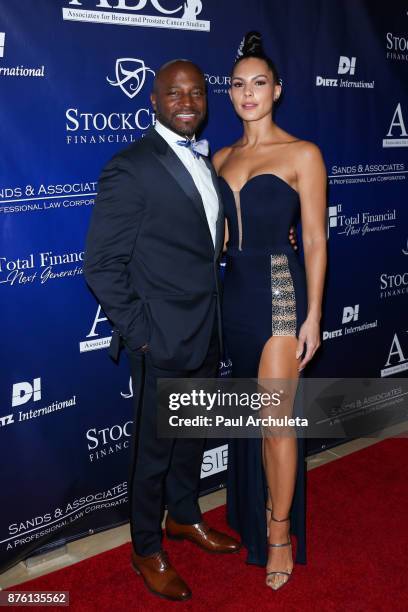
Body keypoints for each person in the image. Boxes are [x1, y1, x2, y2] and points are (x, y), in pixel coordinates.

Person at [83, 59, 241, 603]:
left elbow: (204, 248)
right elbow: (101, 265)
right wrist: (142, 336)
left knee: (191, 441)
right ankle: (146, 547)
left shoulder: (210, 166)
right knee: (151, 455)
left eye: (196, 92)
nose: (187, 100)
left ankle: (185, 517)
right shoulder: (131, 166)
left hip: (206, 333)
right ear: (153, 100)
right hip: (161, 341)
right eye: (175, 92)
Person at [213, 32, 327, 591]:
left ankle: (279, 532)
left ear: (277, 90)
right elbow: (218, 240)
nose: (248, 92)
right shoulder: (220, 157)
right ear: (230, 94)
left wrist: (314, 317)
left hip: (281, 294)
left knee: (276, 424)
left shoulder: (302, 153)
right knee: (251, 421)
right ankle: (252, 508)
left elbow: (314, 240)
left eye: (259, 83)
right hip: (233, 297)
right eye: (238, 84)